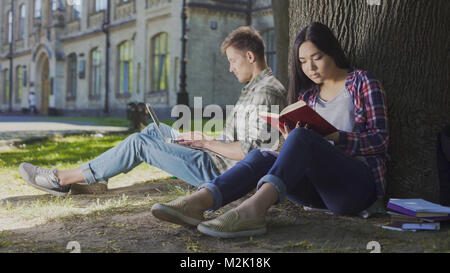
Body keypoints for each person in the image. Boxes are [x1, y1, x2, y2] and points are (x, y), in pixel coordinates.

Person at [151, 22, 390, 238]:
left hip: (355, 187)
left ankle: (253, 210)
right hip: (319, 192)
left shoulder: (362, 82)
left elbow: (380, 140)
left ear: (332, 52)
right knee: (261, 154)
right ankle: (201, 201)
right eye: (303, 62)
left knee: (303, 137)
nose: (310, 67)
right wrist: (291, 140)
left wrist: (334, 136)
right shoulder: (308, 95)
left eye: (316, 57)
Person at [18, 26, 287, 197]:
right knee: (154, 130)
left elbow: (251, 154)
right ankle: (95, 179)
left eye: (232, 61)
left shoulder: (266, 91)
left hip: (218, 172)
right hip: (214, 157)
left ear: (250, 57)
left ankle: (61, 180)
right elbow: (238, 141)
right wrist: (201, 139)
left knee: (138, 143)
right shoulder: (254, 87)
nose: (230, 68)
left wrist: (205, 142)